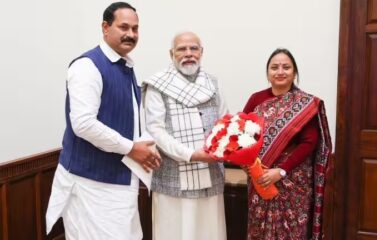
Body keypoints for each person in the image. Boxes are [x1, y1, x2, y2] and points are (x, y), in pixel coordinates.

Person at [45, 2, 161, 240]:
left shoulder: (124, 66)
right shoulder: (87, 66)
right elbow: (83, 124)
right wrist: (131, 148)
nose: (131, 34)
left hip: (119, 183)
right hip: (91, 183)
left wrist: (146, 146)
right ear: (105, 27)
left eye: (136, 29)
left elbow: (129, 119)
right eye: (124, 27)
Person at [143, 31, 228, 240]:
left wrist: (219, 149)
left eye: (194, 48)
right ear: (171, 53)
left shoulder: (213, 83)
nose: (188, 54)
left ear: (201, 52)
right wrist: (191, 154)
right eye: (182, 49)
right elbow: (156, 130)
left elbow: (225, 122)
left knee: (210, 232)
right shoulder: (157, 85)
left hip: (211, 172)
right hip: (173, 176)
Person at [243, 48, 332, 240]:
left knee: (292, 233)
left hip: (292, 178)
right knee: (259, 229)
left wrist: (281, 171)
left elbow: (309, 142)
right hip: (260, 178)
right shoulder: (256, 99)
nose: (280, 71)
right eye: (274, 67)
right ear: (268, 74)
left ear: (294, 73)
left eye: (286, 67)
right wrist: (252, 167)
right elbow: (242, 135)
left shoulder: (305, 104)